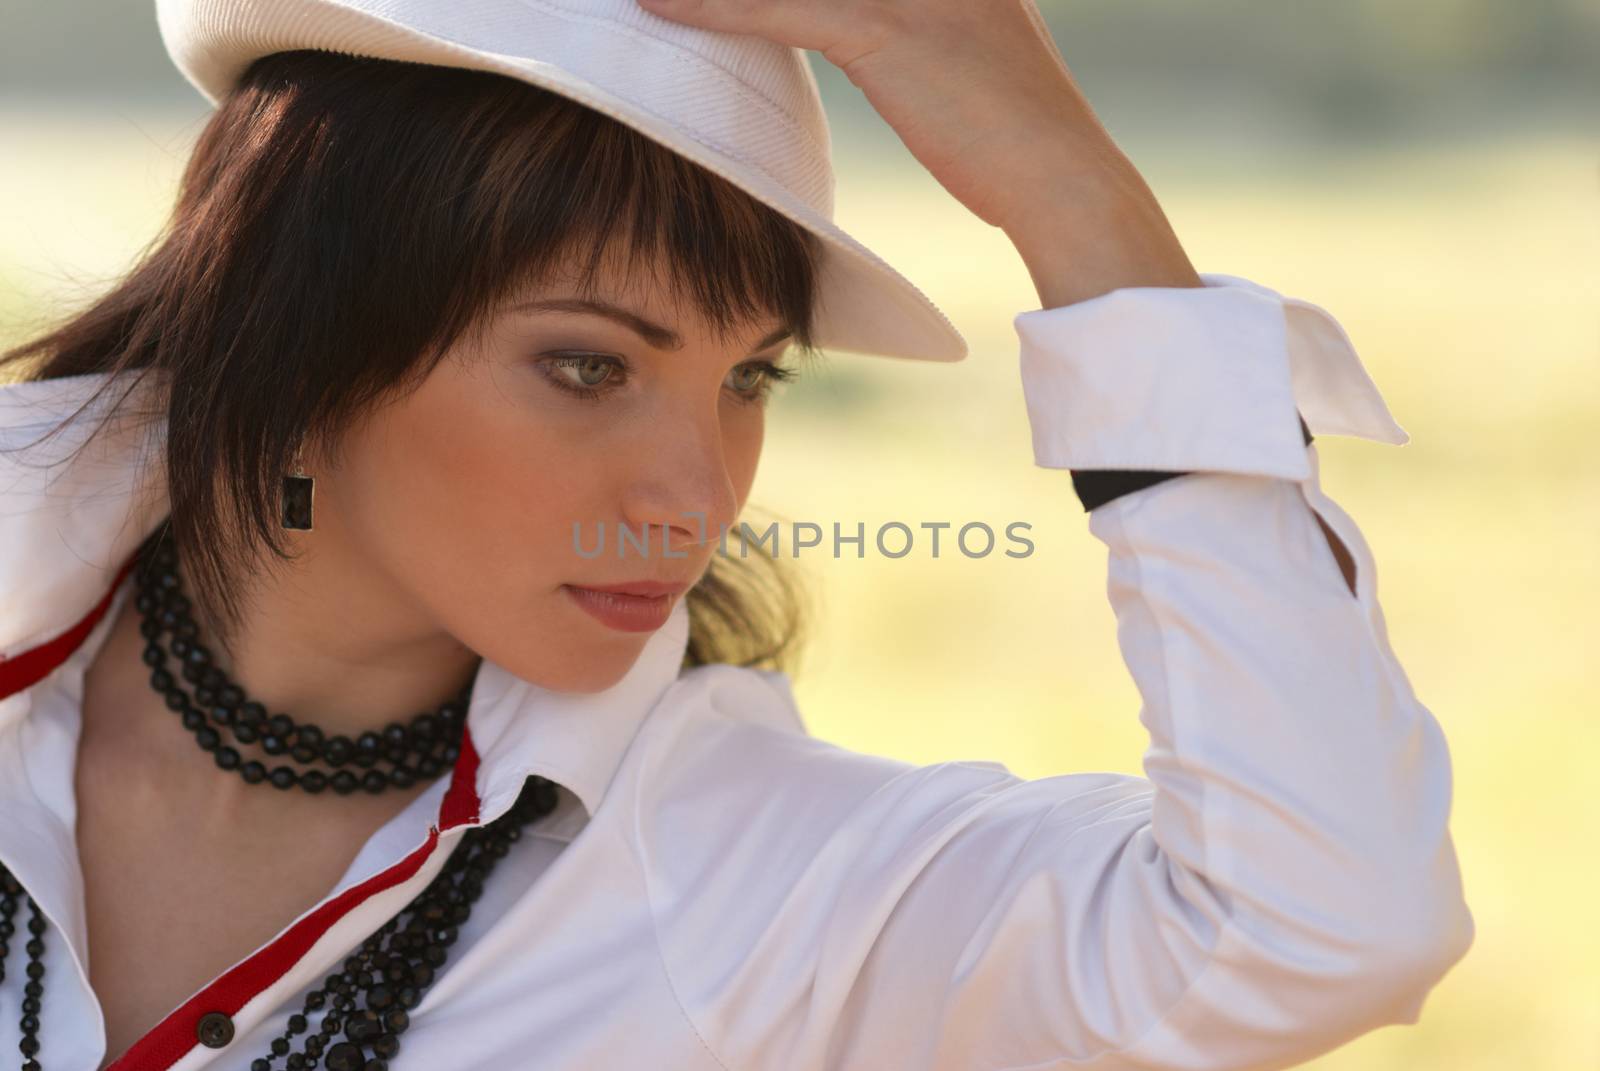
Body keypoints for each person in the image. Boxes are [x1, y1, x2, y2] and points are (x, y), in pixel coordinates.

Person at [0, 0, 1472, 1068]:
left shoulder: (758, 883)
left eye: (749, 379)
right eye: (589, 368)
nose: (696, 496)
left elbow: (1316, 929)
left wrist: (1068, 187)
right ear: (301, 335)